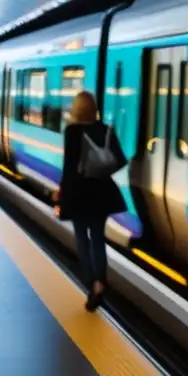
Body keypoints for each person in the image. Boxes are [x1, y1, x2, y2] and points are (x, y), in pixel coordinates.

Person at [55, 91, 128, 312]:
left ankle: (92, 284)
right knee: (97, 239)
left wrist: (61, 192)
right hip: (102, 192)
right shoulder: (106, 130)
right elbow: (120, 160)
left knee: (82, 239)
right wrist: (102, 170)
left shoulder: (73, 132)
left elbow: (69, 168)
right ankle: (101, 282)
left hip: (79, 193)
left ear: (76, 109)